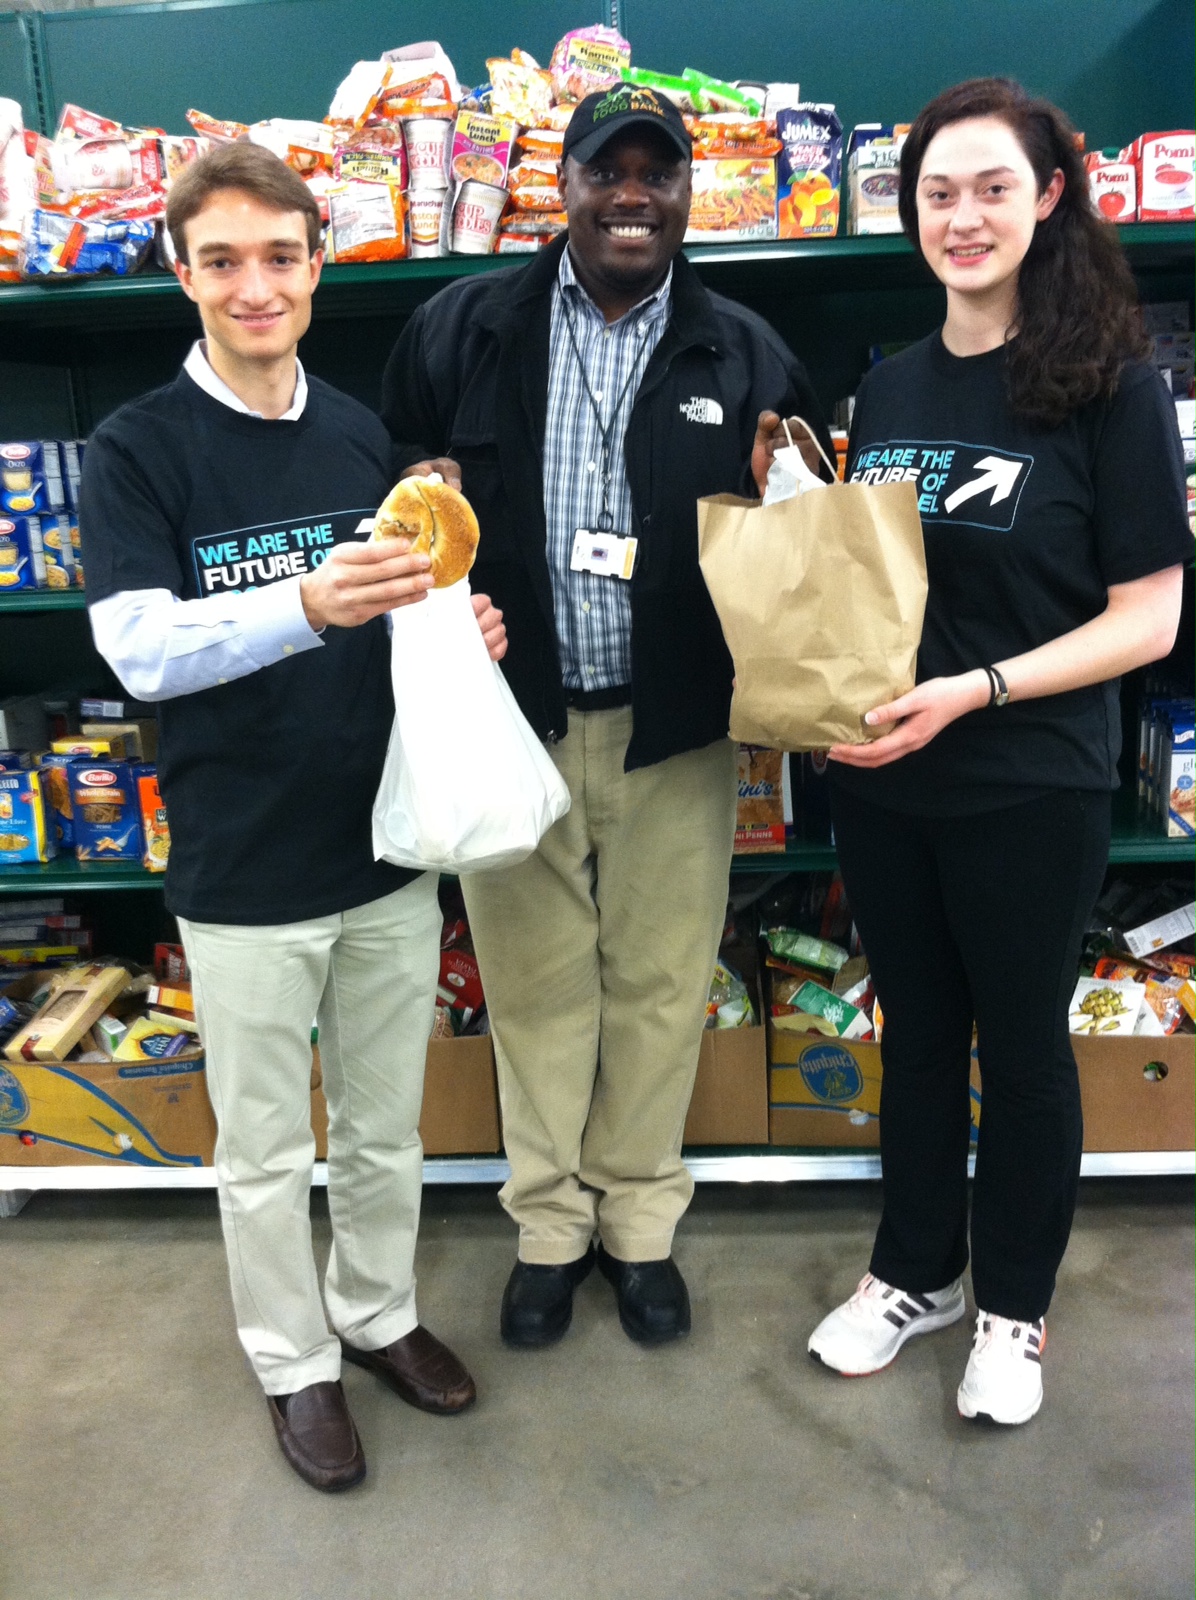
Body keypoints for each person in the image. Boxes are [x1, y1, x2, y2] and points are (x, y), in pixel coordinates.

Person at [79, 142, 508, 1491]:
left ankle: (374, 1314)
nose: (255, 286)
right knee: (264, 1148)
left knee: (386, 1124)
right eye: (223, 261)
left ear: (319, 264)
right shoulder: (138, 448)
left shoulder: (357, 433)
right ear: (182, 270)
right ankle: (293, 1359)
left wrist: (453, 624)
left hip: (383, 843)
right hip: (241, 862)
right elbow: (140, 650)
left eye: (280, 256)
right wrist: (306, 603)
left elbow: (395, 604)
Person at [383, 84, 834, 1349]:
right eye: (606, 171)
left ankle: (636, 1221)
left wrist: (786, 489)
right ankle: (546, 1227)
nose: (632, 194)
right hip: (507, 714)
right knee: (531, 988)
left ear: (687, 190)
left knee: (652, 982)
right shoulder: (460, 327)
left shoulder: (744, 347)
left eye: (658, 171)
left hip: (675, 726)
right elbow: (400, 499)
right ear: (566, 186)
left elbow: (794, 532)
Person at [806, 78, 1192, 1425]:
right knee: (919, 1039)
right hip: (889, 775)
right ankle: (914, 1273)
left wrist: (976, 691)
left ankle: (1014, 1313)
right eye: (936, 194)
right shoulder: (893, 382)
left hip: (1029, 781)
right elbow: (875, 575)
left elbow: (1150, 620)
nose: (961, 217)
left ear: (1046, 200)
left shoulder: (1110, 387)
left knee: (1021, 1048)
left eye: (989, 188)